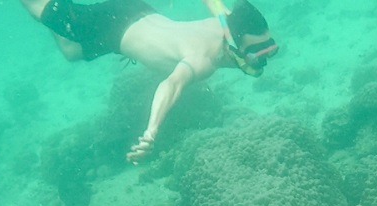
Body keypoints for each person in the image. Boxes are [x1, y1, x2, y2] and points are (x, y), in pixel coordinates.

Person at [19, 0, 279, 163]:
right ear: (232, 44)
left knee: (71, 52)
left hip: (136, 11)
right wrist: (151, 131)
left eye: (268, 49)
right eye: (256, 54)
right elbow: (171, 85)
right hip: (113, 26)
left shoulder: (227, 20)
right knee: (39, 6)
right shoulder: (204, 60)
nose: (262, 61)